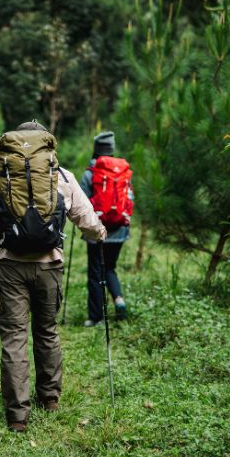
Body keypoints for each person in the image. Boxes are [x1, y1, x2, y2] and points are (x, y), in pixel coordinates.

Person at [0, 121, 106, 433]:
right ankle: (50, 399)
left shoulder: (1, 176)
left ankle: (17, 416)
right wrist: (100, 233)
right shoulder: (61, 176)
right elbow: (86, 218)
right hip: (50, 266)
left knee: (14, 338)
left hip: (11, 267)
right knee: (47, 331)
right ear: (47, 145)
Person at [80, 131, 134, 327]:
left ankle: (96, 317)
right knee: (110, 267)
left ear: (96, 149)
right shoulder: (123, 172)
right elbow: (130, 199)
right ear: (111, 150)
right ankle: (119, 300)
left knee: (95, 272)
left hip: (97, 231)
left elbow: (82, 203)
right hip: (119, 230)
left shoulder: (91, 173)